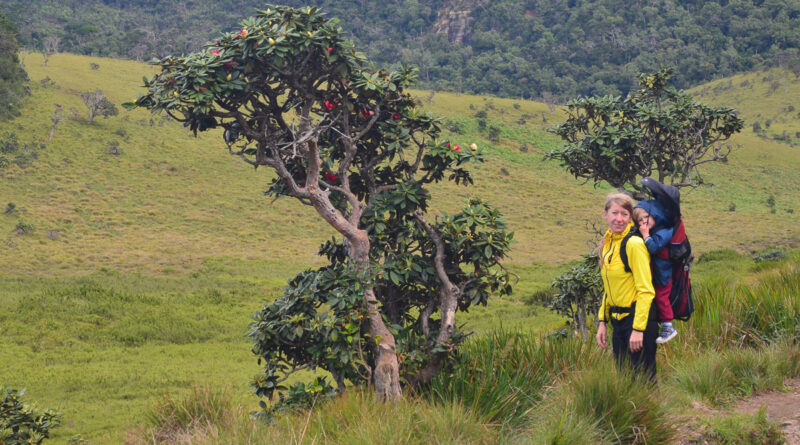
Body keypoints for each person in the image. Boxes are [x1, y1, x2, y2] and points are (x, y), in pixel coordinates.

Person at [596, 193, 659, 380]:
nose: (619, 219)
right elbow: (610, 288)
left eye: (624, 214)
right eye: (614, 213)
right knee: (625, 380)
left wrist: (638, 329)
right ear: (605, 215)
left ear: (630, 216)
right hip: (618, 321)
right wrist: (603, 322)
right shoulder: (608, 244)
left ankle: (654, 410)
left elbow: (646, 290)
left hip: (638, 320)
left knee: (644, 380)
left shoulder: (634, 244)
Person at [633, 201, 678, 344]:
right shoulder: (655, 231)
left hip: (664, 275)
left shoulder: (665, 230)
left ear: (655, 215)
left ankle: (668, 326)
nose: (643, 222)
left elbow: (653, 247)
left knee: (661, 298)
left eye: (645, 217)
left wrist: (645, 235)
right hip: (656, 274)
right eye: (640, 220)